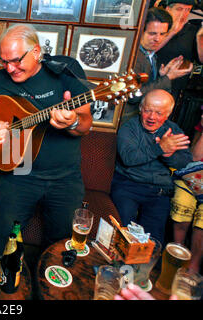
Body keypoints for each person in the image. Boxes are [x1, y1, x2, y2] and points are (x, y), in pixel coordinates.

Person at [0, 24, 93, 258]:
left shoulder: (65, 73)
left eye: (16, 60)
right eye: (3, 61)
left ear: (36, 52)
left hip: (64, 177)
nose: (10, 68)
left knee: (62, 247)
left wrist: (73, 121)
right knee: (1, 241)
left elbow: (86, 125)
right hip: (18, 175)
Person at [110, 89, 193, 246]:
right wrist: (160, 148)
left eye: (159, 113)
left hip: (158, 191)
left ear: (167, 114)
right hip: (128, 186)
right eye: (148, 111)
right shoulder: (129, 128)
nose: (152, 117)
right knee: (122, 237)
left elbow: (184, 163)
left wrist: (169, 155)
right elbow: (129, 158)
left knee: (153, 242)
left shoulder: (173, 130)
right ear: (141, 109)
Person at [122, 7, 193, 123]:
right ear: (140, 30)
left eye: (162, 34)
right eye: (152, 33)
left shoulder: (149, 53)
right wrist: (168, 78)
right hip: (126, 122)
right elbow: (134, 96)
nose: (158, 39)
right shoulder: (133, 56)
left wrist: (162, 76)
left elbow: (147, 88)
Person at [155, 0, 203, 138]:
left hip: (175, 89)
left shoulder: (192, 30)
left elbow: (201, 59)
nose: (183, 14)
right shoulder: (158, 26)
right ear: (168, 9)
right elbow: (147, 50)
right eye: (179, 9)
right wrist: (171, 32)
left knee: (163, 129)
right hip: (153, 82)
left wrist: (200, 37)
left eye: (187, 10)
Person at [170, 113, 203, 273]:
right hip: (194, 175)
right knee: (182, 200)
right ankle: (178, 254)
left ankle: (193, 266)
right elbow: (195, 157)